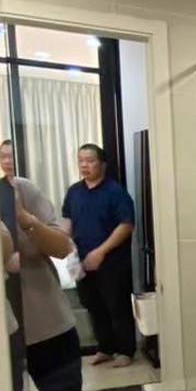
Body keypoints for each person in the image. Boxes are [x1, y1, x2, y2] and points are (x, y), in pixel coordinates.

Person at [0, 140, 84, 391]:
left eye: (12, 156)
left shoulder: (23, 190)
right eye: (3, 156)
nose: (7, 161)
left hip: (46, 324)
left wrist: (25, 218)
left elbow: (62, 247)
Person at [62, 143, 136, 367]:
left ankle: (125, 351)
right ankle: (105, 348)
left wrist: (101, 251)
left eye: (90, 160)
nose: (84, 165)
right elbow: (67, 220)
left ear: (102, 164)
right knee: (93, 305)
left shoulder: (115, 192)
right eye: (81, 160)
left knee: (117, 305)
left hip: (111, 260)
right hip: (82, 259)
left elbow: (126, 225)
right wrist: (65, 244)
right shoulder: (74, 192)